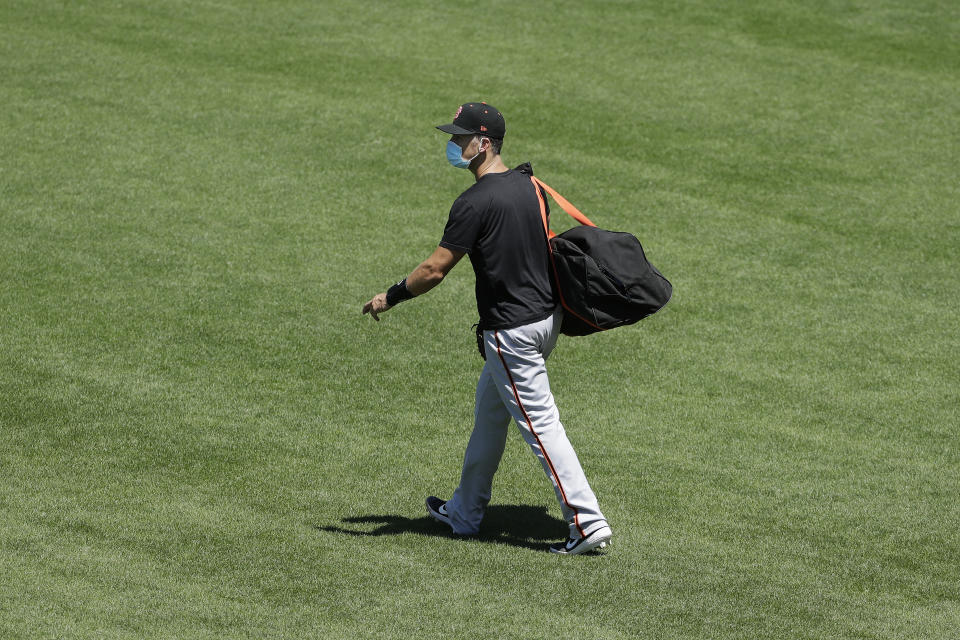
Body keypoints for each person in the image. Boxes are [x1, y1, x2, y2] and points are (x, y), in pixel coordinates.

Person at [361, 102, 611, 555]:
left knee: (541, 428)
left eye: (461, 138)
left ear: (485, 144)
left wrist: (390, 296)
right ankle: (465, 512)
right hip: (545, 320)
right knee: (490, 418)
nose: (454, 145)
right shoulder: (527, 184)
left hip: (512, 333)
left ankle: (587, 523)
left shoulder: (473, 202)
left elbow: (435, 269)